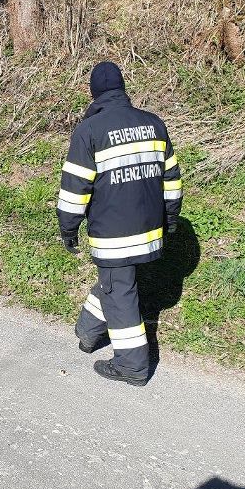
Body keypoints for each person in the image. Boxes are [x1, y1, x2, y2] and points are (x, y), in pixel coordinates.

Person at [57, 61, 183, 386]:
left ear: (94, 93)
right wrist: (169, 221)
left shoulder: (89, 131)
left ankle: (133, 366)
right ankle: (87, 331)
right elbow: (171, 180)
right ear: (123, 89)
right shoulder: (153, 124)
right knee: (116, 283)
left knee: (120, 291)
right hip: (150, 231)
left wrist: (68, 228)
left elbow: (75, 189)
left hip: (116, 236)